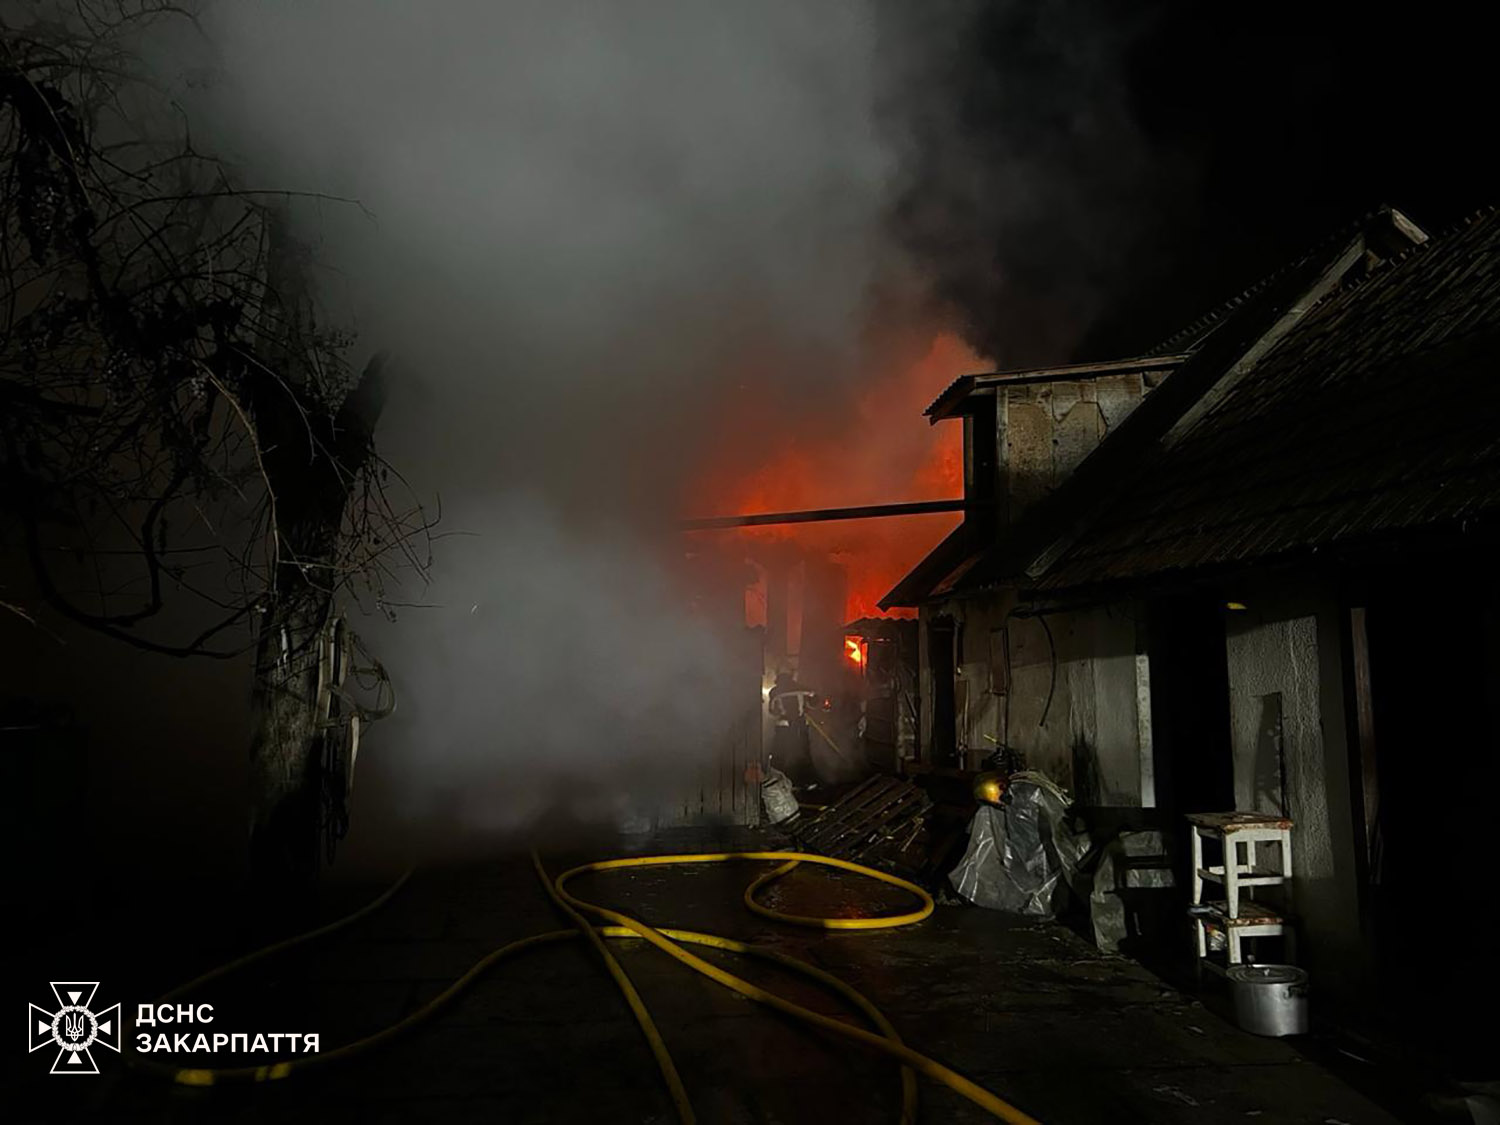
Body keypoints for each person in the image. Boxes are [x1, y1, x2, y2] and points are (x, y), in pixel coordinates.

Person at [768, 668, 817, 787]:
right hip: (801, 726)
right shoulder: (802, 688)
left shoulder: (774, 691)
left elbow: (773, 711)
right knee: (803, 752)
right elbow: (813, 704)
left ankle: (776, 783)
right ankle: (806, 782)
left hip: (783, 728)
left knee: (779, 754)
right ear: (791, 674)